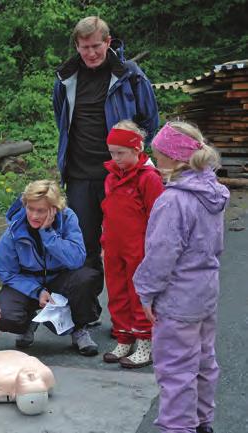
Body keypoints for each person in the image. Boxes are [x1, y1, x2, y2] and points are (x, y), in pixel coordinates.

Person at [53, 16, 159, 300]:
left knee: (127, 247)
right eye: (84, 47)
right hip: (79, 176)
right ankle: (86, 317)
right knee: (84, 248)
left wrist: (130, 159)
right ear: (77, 45)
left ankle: (131, 320)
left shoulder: (130, 74)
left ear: (108, 42)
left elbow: (149, 121)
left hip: (120, 177)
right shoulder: (66, 78)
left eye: (96, 46)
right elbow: (61, 120)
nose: (91, 53)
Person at [134, 121, 228, 433]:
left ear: (174, 159)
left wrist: (146, 291)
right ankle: (202, 422)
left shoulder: (173, 200)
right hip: (205, 293)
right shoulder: (212, 192)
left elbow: (161, 254)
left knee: (176, 368)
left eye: (158, 155)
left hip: (177, 300)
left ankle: (177, 428)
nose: (154, 160)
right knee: (203, 361)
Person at [0, 180, 102, 356]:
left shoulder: (67, 218)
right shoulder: (15, 228)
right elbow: (6, 271)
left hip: (61, 277)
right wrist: (36, 291)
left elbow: (76, 259)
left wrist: (48, 235)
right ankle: (29, 322)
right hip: (29, 281)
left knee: (87, 277)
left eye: (41, 211)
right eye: (30, 209)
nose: (34, 216)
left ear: (54, 209)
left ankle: (79, 329)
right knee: (2, 314)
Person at [100, 120, 164, 367]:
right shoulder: (112, 177)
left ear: (137, 149)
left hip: (139, 249)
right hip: (114, 247)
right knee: (116, 292)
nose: (115, 158)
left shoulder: (149, 178)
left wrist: (153, 251)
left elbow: (157, 218)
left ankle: (145, 343)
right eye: (112, 153)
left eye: (121, 153)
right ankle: (124, 338)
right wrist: (104, 240)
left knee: (139, 294)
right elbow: (109, 211)